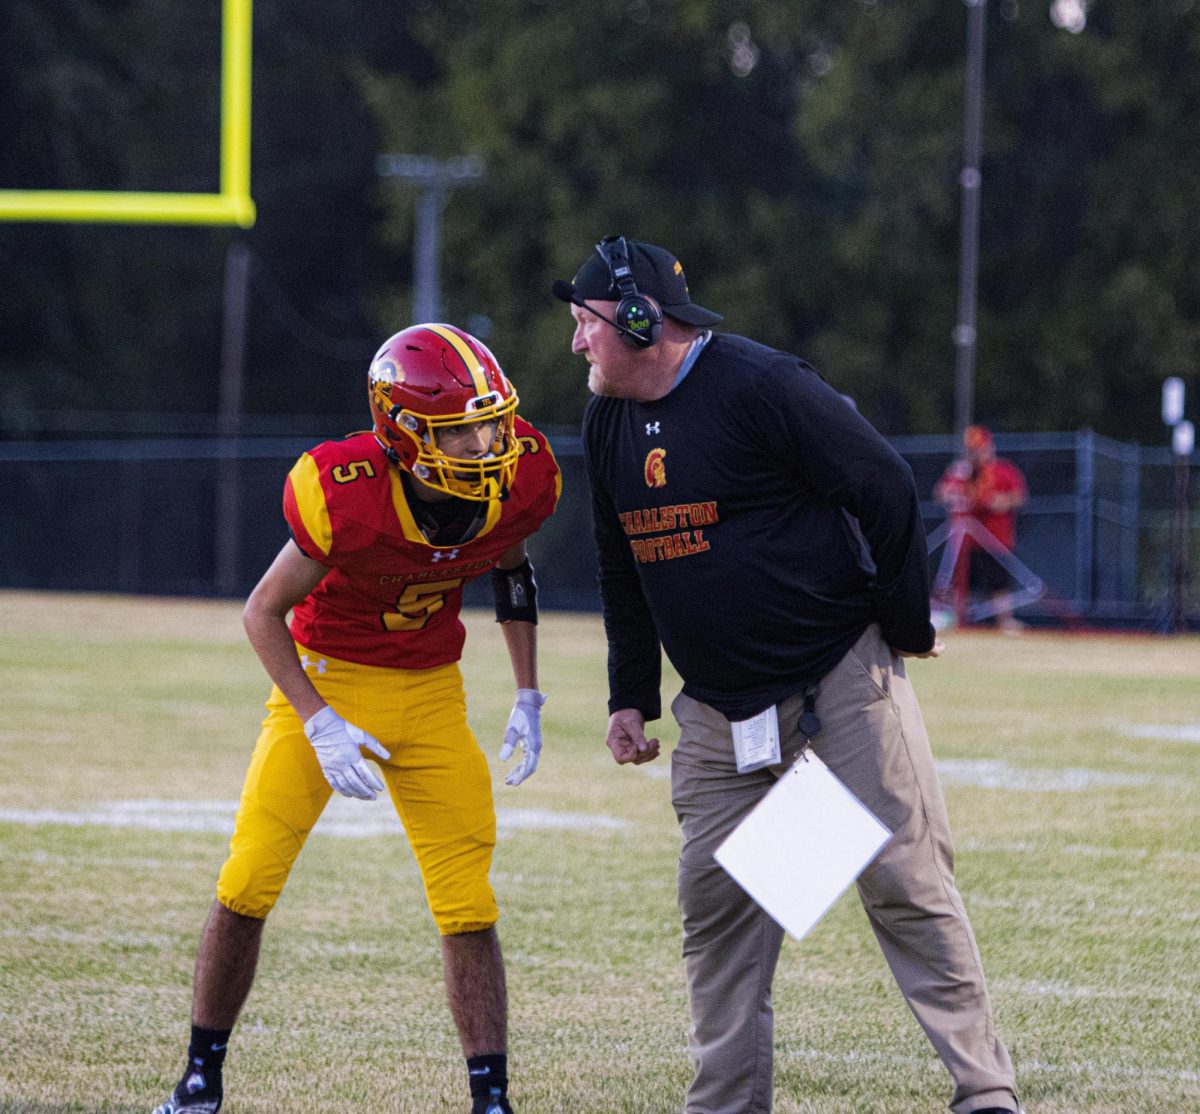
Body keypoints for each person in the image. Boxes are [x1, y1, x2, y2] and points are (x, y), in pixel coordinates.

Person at [554, 237, 1021, 1114]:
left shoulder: (763, 387)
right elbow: (623, 565)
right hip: (719, 718)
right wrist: (629, 693)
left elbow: (882, 484)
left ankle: (985, 1092)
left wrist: (902, 623)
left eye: (586, 324)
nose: (576, 343)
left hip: (832, 691)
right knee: (719, 917)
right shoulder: (607, 420)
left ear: (643, 323)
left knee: (906, 888)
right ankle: (727, 1105)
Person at [152, 323, 561, 1114]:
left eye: (491, 422)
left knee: (467, 902)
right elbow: (262, 612)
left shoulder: (521, 476)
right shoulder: (344, 491)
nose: (488, 444)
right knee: (247, 881)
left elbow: (513, 569)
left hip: (433, 691)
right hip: (330, 681)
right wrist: (316, 719)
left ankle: (493, 1100)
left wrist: (528, 691)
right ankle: (200, 1080)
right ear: (404, 433)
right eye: (462, 430)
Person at [934, 425, 1029, 632]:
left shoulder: (1003, 470)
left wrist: (1002, 501)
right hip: (965, 541)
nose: (975, 454)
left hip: (995, 538)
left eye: (978, 449)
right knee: (960, 586)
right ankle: (954, 620)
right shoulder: (960, 471)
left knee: (998, 584)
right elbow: (940, 493)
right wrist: (952, 492)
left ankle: (1004, 622)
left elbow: (1019, 495)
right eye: (971, 449)